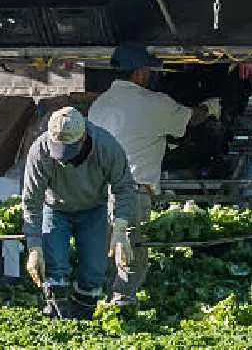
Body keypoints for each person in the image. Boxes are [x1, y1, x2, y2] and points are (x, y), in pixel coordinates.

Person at [88, 43, 218, 307]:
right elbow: (190, 119)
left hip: (98, 192)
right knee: (132, 252)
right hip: (131, 193)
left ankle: (98, 302)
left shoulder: (99, 105)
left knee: (108, 250)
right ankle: (122, 307)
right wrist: (210, 108)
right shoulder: (153, 103)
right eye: (148, 70)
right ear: (139, 73)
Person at [23, 107, 136, 319]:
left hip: (94, 209)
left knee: (94, 269)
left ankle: (82, 320)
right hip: (55, 208)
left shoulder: (106, 146)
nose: (64, 157)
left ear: (83, 138)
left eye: (69, 150)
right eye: (59, 149)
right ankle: (57, 318)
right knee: (54, 266)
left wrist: (120, 230)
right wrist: (34, 246)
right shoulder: (40, 151)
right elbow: (32, 200)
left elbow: (124, 188)